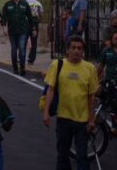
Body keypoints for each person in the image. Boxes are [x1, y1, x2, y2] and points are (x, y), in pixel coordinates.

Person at [42, 35, 98, 170]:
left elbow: (92, 97)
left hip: (82, 121)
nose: (76, 51)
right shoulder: (57, 65)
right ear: (67, 50)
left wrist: (91, 120)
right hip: (63, 118)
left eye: (79, 48)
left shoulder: (90, 68)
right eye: (73, 47)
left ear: (83, 51)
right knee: (62, 155)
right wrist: (46, 112)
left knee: (82, 156)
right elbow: (50, 90)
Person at [1, 0, 32, 76]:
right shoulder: (7, 5)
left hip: (23, 31)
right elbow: (4, 18)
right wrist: (4, 28)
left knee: (22, 49)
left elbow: (30, 17)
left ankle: (22, 68)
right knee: (14, 51)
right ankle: (15, 68)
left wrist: (32, 29)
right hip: (12, 31)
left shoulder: (25, 4)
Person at [25, 0, 43, 66]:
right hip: (35, 24)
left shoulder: (24, 3)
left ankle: (21, 57)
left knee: (23, 40)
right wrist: (38, 20)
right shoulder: (38, 4)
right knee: (34, 41)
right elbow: (41, 14)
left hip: (25, 23)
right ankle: (31, 60)